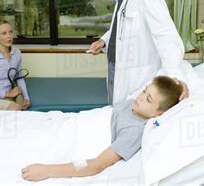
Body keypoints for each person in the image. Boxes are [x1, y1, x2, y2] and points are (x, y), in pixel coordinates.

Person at [21, 75, 183, 182]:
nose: (140, 97)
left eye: (148, 99)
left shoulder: (134, 131)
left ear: (159, 113)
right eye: (144, 91)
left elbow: (96, 164)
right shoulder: (136, 105)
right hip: (73, 123)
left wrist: (47, 170)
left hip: (77, 137)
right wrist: (181, 85)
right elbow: (175, 83)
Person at [88, 0, 188, 104]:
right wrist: (103, 41)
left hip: (136, 75)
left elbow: (166, 35)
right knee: (117, 115)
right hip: (116, 66)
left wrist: (174, 77)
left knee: (128, 119)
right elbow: (121, 26)